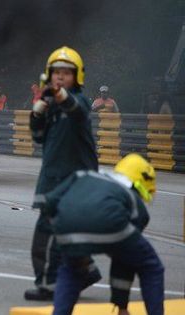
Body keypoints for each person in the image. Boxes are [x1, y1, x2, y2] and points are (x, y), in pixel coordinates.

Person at [44, 154, 164, 315]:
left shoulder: (84, 175)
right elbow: (124, 261)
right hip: (111, 224)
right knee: (151, 266)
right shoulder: (132, 198)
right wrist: (121, 305)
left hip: (66, 226)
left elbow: (49, 202)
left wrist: (59, 229)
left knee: (72, 268)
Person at [26, 46, 100, 300]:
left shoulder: (80, 101)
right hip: (53, 178)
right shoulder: (51, 107)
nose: (60, 77)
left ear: (77, 76)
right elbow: (38, 137)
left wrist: (56, 94)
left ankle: (48, 285)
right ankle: (86, 270)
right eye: (56, 72)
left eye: (66, 73)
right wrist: (38, 109)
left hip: (76, 180)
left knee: (48, 233)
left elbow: (75, 110)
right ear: (48, 74)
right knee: (65, 232)